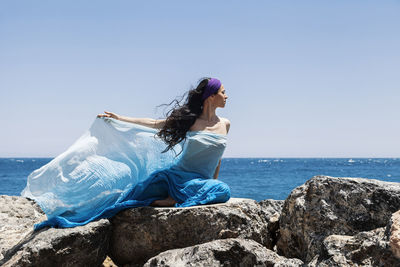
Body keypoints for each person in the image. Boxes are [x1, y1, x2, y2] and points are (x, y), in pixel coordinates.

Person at [22, 77, 231, 229]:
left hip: (198, 183)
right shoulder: (192, 122)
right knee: (126, 198)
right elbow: (155, 124)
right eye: (223, 92)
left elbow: (217, 159)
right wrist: (120, 118)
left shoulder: (225, 124)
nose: (226, 96)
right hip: (174, 178)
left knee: (221, 189)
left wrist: (210, 183)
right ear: (210, 97)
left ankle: (173, 200)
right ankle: (73, 208)